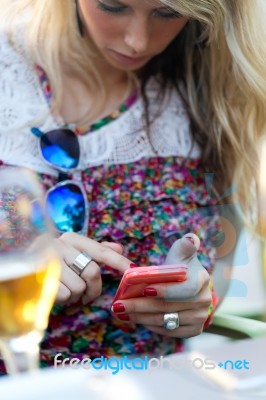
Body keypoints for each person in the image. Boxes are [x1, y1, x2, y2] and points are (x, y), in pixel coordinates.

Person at [0, 0, 265, 373]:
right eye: (112, 5)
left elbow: (219, 265)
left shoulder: (208, 88)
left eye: (168, 12)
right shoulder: (8, 74)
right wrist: (24, 265)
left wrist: (193, 305)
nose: (138, 41)